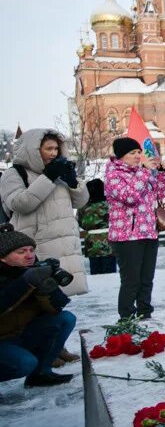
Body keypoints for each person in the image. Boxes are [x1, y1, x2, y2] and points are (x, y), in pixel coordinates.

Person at [0, 128, 89, 295]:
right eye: (49, 149)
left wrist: (72, 182)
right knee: (38, 296)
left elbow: (80, 202)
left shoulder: (59, 169)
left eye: (56, 149)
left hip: (65, 245)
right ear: (33, 151)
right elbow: (20, 204)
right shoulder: (14, 174)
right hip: (35, 244)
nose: (54, 153)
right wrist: (47, 178)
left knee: (62, 295)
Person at [104, 136, 165, 320]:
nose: (137, 156)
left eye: (138, 152)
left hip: (149, 232)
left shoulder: (142, 173)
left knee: (146, 280)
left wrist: (163, 173)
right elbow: (130, 196)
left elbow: (163, 194)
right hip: (126, 237)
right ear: (121, 156)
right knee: (131, 281)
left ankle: (145, 313)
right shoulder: (113, 175)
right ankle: (126, 316)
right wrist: (144, 173)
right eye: (132, 153)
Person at [0, 225, 76, 387]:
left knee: (65, 319)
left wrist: (47, 291)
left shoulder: (31, 272)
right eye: (21, 252)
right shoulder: (24, 276)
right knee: (25, 363)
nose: (29, 256)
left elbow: (56, 309)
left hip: (18, 335)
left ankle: (41, 373)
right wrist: (25, 283)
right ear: (2, 258)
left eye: (31, 250)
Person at [78, 179, 116, 274]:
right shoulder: (111, 204)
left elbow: (80, 223)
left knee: (95, 273)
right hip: (109, 243)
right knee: (110, 275)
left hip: (92, 245)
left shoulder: (84, 207)